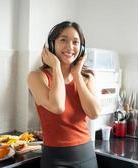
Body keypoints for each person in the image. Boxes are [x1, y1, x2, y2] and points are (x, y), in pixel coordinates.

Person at [27, 21, 101, 168]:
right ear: (51, 44)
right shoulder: (37, 77)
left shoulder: (86, 78)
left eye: (75, 42)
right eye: (63, 40)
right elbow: (57, 106)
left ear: (82, 48)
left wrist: (77, 76)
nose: (70, 47)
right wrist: (56, 67)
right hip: (54, 158)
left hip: (86, 155)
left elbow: (94, 113)